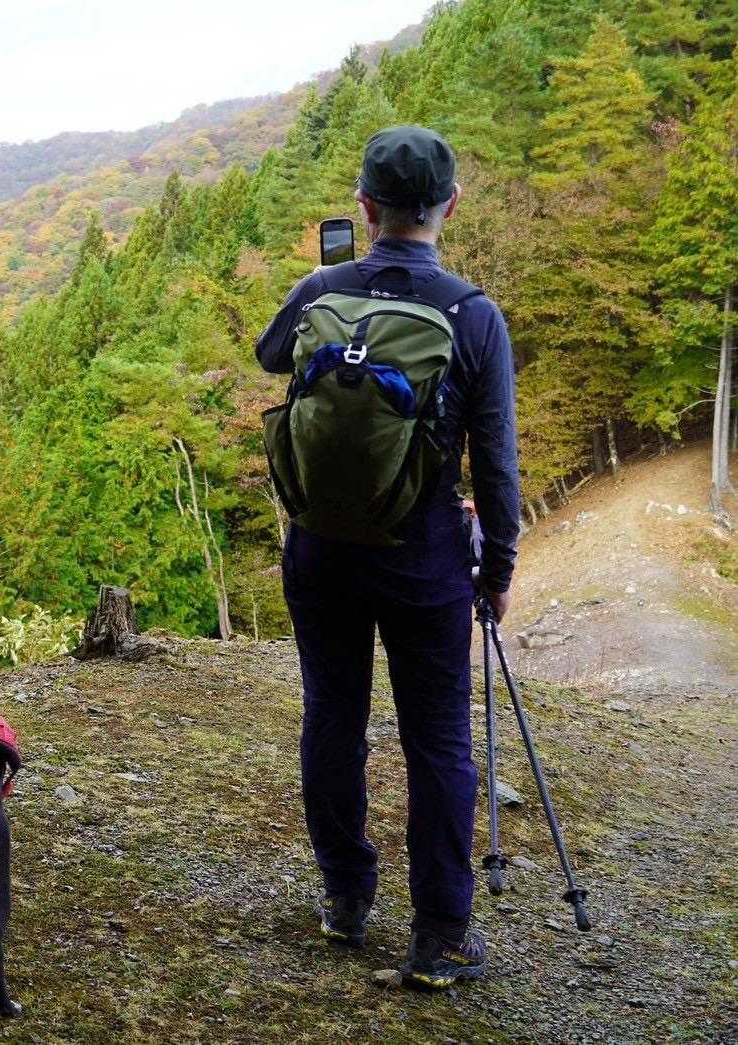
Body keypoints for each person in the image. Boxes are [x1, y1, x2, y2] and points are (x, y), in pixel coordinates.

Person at [253, 126, 520, 989]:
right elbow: (496, 462)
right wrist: (497, 569)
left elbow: (268, 355)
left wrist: (326, 287)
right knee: (436, 738)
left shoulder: (320, 288)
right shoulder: (472, 315)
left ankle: (344, 899)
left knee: (331, 716)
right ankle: (439, 936)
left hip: (321, 547)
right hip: (424, 554)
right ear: (450, 205)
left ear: (363, 205)